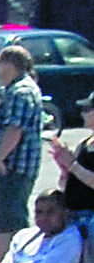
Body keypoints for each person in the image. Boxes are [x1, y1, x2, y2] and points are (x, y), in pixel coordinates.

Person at [0, 44, 45, 263]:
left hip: (15, 165)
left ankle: (12, 262)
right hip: (10, 165)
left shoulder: (21, 91)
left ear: (11, 65)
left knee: (11, 215)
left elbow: (15, 130)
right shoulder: (11, 90)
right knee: (1, 212)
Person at [47, 92, 94, 248]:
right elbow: (65, 185)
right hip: (74, 215)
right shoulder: (85, 143)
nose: (83, 113)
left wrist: (73, 164)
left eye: (88, 109)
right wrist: (64, 167)